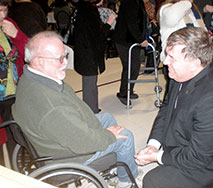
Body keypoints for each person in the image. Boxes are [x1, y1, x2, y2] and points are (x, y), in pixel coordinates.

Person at [12, 31, 138, 188]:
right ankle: (126, 182)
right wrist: (109, 136)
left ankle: (110, 168)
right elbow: (83, 142)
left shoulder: (30, 78)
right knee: (125, 137)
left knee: (106, 117)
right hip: (68, 158)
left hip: (57, 138)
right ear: (38, 61)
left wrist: (101, 130)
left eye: (65, 56)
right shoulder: (52, 106)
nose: (65, 63)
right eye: (59, 59)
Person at [135, 27, 213, 188]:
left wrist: (158, 156)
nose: (165, 62)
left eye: (172, 57)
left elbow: (198, 158)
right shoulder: (179, 74)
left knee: (153, 181)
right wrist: (153, 144)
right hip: (195, 148)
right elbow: (167, 107)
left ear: (195, 62)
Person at [74, 0, 116, 114]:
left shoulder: (82, 9)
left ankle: (91, 108)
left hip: (84, 51)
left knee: (89, 82)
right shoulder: (90, 12)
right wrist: (108, 23)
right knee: (90, 84)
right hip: (89, 53)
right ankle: (92, 112)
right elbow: (98, 36)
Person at [0, 0, 28, 167]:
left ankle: (18, 172)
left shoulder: (9, 25)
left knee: (16, 136)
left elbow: (28, 53)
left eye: (4, 10)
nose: (2, 16)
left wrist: (17, 35)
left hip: (14, 92)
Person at [112, 0, 148, 105]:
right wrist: (141, 39)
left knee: (135, 67)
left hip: (132, 39)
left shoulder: (138, 1)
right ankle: (123, 93)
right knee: (129, 66)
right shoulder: (130, 2)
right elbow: (131, 22)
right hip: (124, 40)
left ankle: (129, 90)